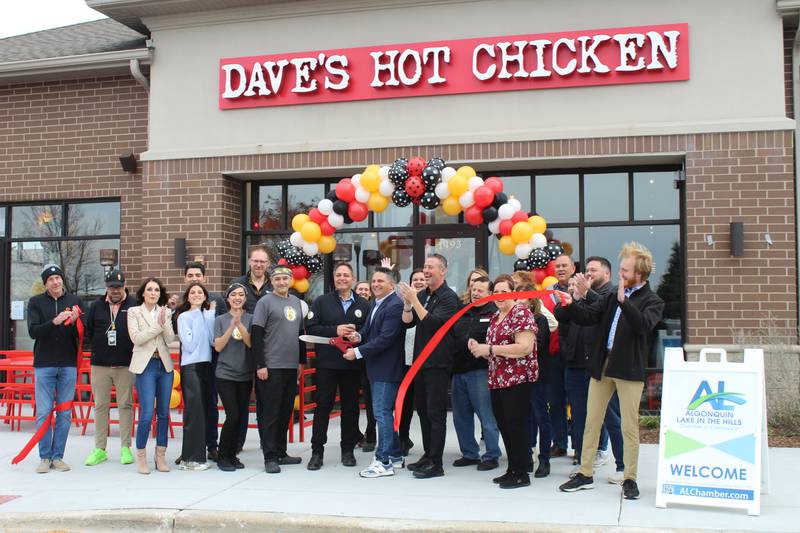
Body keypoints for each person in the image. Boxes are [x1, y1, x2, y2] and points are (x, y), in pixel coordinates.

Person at [557, 242, 665, 500]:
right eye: (620, 269)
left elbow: (643, 326)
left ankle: (630, 478)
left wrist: (625, 302)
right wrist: (571, 302)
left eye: (625, 271)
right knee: (591, 421)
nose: (621, 274)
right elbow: (588, 316)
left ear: (640, 274)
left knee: (629, 426)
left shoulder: (653, 300)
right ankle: (585, 473)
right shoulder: (611, 295)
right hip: (602, 365)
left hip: (628, 369)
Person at [468, 274, 538, 489]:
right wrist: (479, 349)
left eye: (504, 292)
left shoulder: (521, 313)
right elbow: (496, 350)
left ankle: (521, 473)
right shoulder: (496, 317)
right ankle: (513, 468)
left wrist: (488, 349)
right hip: (498, 379)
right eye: (496, 292)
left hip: (517, 379)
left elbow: (524, 347)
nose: (499, 296)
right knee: (505, 425)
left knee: (516, 425)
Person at [398, 253, 459, 479]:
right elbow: (408, 323)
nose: (426, 270)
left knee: (436, 413)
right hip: (419, 362)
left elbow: (434, 324)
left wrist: (414, 301)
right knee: (422, 411)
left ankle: (437, 462)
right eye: (425, 266)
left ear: (443, 271)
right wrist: (407, 304)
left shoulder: (448, 297)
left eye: (431, 267)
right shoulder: (422, 295)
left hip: (438, 363)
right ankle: (428, 454)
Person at [306, 262, 370, 470]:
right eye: (338, 275)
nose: (342, 278)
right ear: (334, 279)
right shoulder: (321, 302)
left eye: (346, 275)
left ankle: (348, 450)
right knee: (322, 407)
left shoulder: (364, 304)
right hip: (327, 364)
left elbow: (369, 331)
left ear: (353, 279)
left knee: (351, 409)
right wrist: (335, 330)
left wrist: (356, 334)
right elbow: (312, 328)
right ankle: (317, 452)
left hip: (352, 364)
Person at [343, 267, 406, 478]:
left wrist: (358, 352)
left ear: (391, 284)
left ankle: (384, 461)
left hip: (387, 370)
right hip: (377, 369)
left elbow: (386, 339)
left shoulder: (395, 305)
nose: (375, 284)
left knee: (381, 414)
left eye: (380, 280)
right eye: (374, 281)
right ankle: (395, 455)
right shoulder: (378, 303)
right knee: (383, 413)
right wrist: (359, 337)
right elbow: (371, 332)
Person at [27, 264, 82, 473]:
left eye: (58, 278)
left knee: (65, 413)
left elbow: (82, 336)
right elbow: (33, 331)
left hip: (68, 365)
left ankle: (58, 456)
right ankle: (44, 456)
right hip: (44, 365)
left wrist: (77, 322)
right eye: (51, 280)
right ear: (46, 284)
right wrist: (54, 321)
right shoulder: (36, 303)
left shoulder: (74, 301)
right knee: (43, 412)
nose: (56, 282)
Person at [252, 266, 306, 473]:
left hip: (290, 366)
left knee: (285, 412)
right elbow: (256, 335)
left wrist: (301, 363)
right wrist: (260, 364)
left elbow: (301, 335)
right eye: (277, 279)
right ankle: (270, 456)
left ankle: (282, 452)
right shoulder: (264, 303)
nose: (282, 282)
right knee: (271, 414)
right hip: (271, 366)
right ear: (271, 281)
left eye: (285, 278)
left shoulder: (296, 303)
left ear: (291, 280)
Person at [83, 269, 137, 467]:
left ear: (124, 287)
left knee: (125, 405)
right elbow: (89, 330)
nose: (116, 290)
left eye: (119, 287)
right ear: (107, 287)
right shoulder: (96, 306)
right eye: (112, 286)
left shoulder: (134, 305)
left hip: (125, 364)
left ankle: (125, 448)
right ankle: (99, 449)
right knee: (100, 406)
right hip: (100, 365)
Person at [175, 261, 228, 465]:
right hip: (190, 362)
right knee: (192, 408)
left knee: (210, 405)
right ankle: (190, 450)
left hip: (210, 361)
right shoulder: (182, 310)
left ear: (204, 278)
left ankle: (211, 446)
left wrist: (207, 315)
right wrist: (198, 313)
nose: (194, 278)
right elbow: (187, 339)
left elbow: (215, 334)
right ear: (185, 279)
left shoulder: (215, 304)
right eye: (190, 275)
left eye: (198, 274)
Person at [450, 275, 501, 471]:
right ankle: (470, 454)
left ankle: (492, 455)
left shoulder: (495, 313)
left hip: (481, 372)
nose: (475, 293)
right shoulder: (462, 311)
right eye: (473, 289)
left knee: (487, 417)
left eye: (480, 290)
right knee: (461, 416)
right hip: (458, 371)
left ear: (489, 293)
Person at [583, 256, 626, 483]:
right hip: (587, 363)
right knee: (591, 418)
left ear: (607, 274)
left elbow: (599, 314)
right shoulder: (589, 295)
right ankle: (585, 467)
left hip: (607, 365)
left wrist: (585, 294)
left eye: (594, 270)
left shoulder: (611, 295)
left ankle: (622, 466)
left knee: (612, 418)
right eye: (587, 269)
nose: (589, 273)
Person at [128, 277, 176, 475]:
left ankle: (161, 456)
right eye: (150, 289)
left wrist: (165, 321)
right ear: (143, 292)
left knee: (164, 413)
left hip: (164, 365)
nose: (153, 293)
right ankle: (141, 455)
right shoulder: (134, 311)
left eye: (156, 290)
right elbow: (137, 338)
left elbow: (171, 339)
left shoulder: (166, 312)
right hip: (145, 365)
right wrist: (158, 324)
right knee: (147, 413)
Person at [175, 282, 216, 471]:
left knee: (204, 412)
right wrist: (200, 315)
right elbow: (190, 345)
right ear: (188, 296)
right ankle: (191, 458)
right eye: (193, 292)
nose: (197, 294)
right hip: (190, 367)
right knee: (194, 413)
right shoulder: (183, 317)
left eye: (200, 292)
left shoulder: (207, 315)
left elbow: (210, 341)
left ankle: (197, 455)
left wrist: (207, 317)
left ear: (205, 296)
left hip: (206, 366)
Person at [213, 283, 253, 471]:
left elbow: (251, 342)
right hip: (225, 374)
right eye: (233, 295)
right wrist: (231, 326)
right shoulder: (220, 320)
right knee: (233, 415)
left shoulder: (251, 318)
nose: (237, 297)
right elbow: (218, 346)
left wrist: (240, 324)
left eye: (241, 295)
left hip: (245, 374)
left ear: (245, 299)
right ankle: (222, 456)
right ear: (227, 298)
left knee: (241, 416)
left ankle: (232, 455)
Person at [517, 283, 555, 478]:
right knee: (526, 416)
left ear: (531, 301)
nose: (518, 301)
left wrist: (520, 344)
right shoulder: (513, 320)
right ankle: (528, 454)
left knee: (541, 416)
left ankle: (545, 459)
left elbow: (539, 345)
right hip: (518, 374)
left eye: (522, 297)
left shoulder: (540, 320)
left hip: (538, 375)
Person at [543, 253, 575, 458]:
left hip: (576, 354)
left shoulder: (579, 289)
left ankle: (582, 447)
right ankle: (560, 442)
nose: (561, 269)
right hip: (554, 353)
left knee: (579, 403)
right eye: (558, 266)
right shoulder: (546, 293)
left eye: (565, 266)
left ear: (573, 268)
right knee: (555, 402)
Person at [398, 268, 426, 455]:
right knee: (405, 405)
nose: (418, 282)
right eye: (414, 279)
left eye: (422, 279)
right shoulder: (404, 302)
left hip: (425, 361)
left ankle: (430, 446)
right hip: (406, 360)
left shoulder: (431, 300)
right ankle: (403, 439)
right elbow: (405, 323)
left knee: (425, 406)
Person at [232, 245, 272, 313]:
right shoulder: (237, 284)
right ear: (249, 262)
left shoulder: (274, 285)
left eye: (262, 261)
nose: (259, 265)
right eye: (255, 261)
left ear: (268, 263)